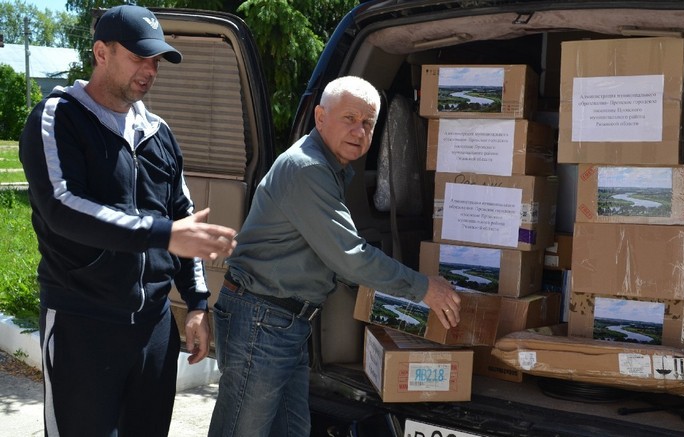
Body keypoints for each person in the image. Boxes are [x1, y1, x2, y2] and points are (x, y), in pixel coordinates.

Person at [18, 5, 238, 436]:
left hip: (154, 328)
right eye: (139, 57)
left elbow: (183, 217)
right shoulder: (58, 116)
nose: (150, 70)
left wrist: (196, 304)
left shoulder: (159, 133)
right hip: (82, 323)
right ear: (102, 53)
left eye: (156, 61)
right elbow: (62, 206)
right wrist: (163, 234)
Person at [208, 75, 462, 436]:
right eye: (350, 118)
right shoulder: (308, 168)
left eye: (368, 123)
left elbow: (335, 257)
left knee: (291, 431)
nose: (360, 131)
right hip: (262, 321)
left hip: (282, 322)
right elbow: (350, 257)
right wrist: (424, 289)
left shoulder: (329, 168)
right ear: (320, 117)